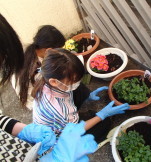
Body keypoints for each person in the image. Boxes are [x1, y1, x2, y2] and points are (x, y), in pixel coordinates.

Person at [0, 13, 98, 161]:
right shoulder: (34, 73)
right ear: (49, 49)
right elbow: (33, 99)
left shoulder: (35, 54)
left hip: (47, 99)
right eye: (60, 48)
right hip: (40, 103)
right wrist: (101, 116)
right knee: (76, 102)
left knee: (76, 89)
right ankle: (74, 117)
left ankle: (74, 114)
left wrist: (24, 129)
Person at [32, 48, 130, 139]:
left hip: (60, 115)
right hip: (60, 136)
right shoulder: (60, 109)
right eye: (74, 80)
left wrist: (88, 97)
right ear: (54, 81)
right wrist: (102, 115)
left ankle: (76, 115)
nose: (77, 83)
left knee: (80, 89)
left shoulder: (46, 78)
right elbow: (74, 131)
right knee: (104, 125)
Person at [11, 25, 65, 110]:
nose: (60, 52)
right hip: (36, 103)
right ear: (48, 50)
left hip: (36, 89)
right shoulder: (37, 69)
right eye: (59, 50)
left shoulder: (31, 50)